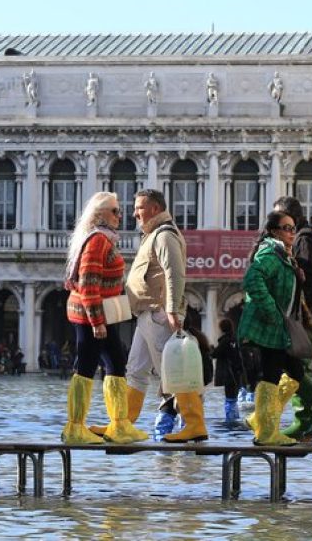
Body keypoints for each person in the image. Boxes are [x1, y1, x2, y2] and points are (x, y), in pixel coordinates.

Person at [103, 189, 193, 442]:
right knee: (136, 369)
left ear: (154, 208)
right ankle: (123, 423)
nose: (134, 213)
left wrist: (173, 309)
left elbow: (174, 273)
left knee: (173, 373)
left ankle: (193, 423)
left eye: (139, 208)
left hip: (159, 313)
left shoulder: (164, 235)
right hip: (146, 313)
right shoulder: (153, 234)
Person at [60, 192, 148, 445]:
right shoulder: (98, 241)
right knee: (86, 366)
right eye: (115, 211)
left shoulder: (104, 239)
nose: (121, 216)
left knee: (116, 363)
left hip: (101, 314)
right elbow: (88, 284)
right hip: (93, 316)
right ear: (100, 215)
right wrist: (97, 322)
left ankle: (119, 425)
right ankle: (75, 427)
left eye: (119, 211)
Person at [272, 196, 312, 441]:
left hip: (307, 312)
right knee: (298, 365)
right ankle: (304, 419)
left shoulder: (304, 238)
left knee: (296, 365)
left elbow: (305, 276)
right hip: (308, 311)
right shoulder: (303, 237)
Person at [239, 211, 303, 446]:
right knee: (271, 376)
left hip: (277, 326)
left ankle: (261, 420)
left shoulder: (282, 255)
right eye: (287, 228)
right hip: (266, 326)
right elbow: (252, 279)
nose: (292, 233)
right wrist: (271, 312)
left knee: (294, 373)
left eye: (294, 228)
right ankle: (266, 432)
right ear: (274, 231)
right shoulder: (269, 252)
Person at [211, 318, 244, 424]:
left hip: (228, 373)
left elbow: (215, 354)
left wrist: (211, 349)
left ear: (221, 329)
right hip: (236, 373)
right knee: (233, 398)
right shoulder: (234, 339)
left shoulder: (225, 341)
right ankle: (235, 419)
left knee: (229, 398)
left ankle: (231, 421)